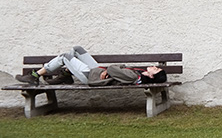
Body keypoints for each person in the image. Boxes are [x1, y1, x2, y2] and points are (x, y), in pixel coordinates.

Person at [15, 46, 166, 86]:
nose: (153, 66)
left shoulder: (135, 76)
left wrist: (111, 71)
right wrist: (112, 71)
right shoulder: (138, 73)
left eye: (156, 68)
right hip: (97, 71)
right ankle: (67, 75)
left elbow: (114, 69)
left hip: (91, 77)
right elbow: (117, 68)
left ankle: (35, 76)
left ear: (152, 75)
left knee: (64, 57)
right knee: (77, 50)